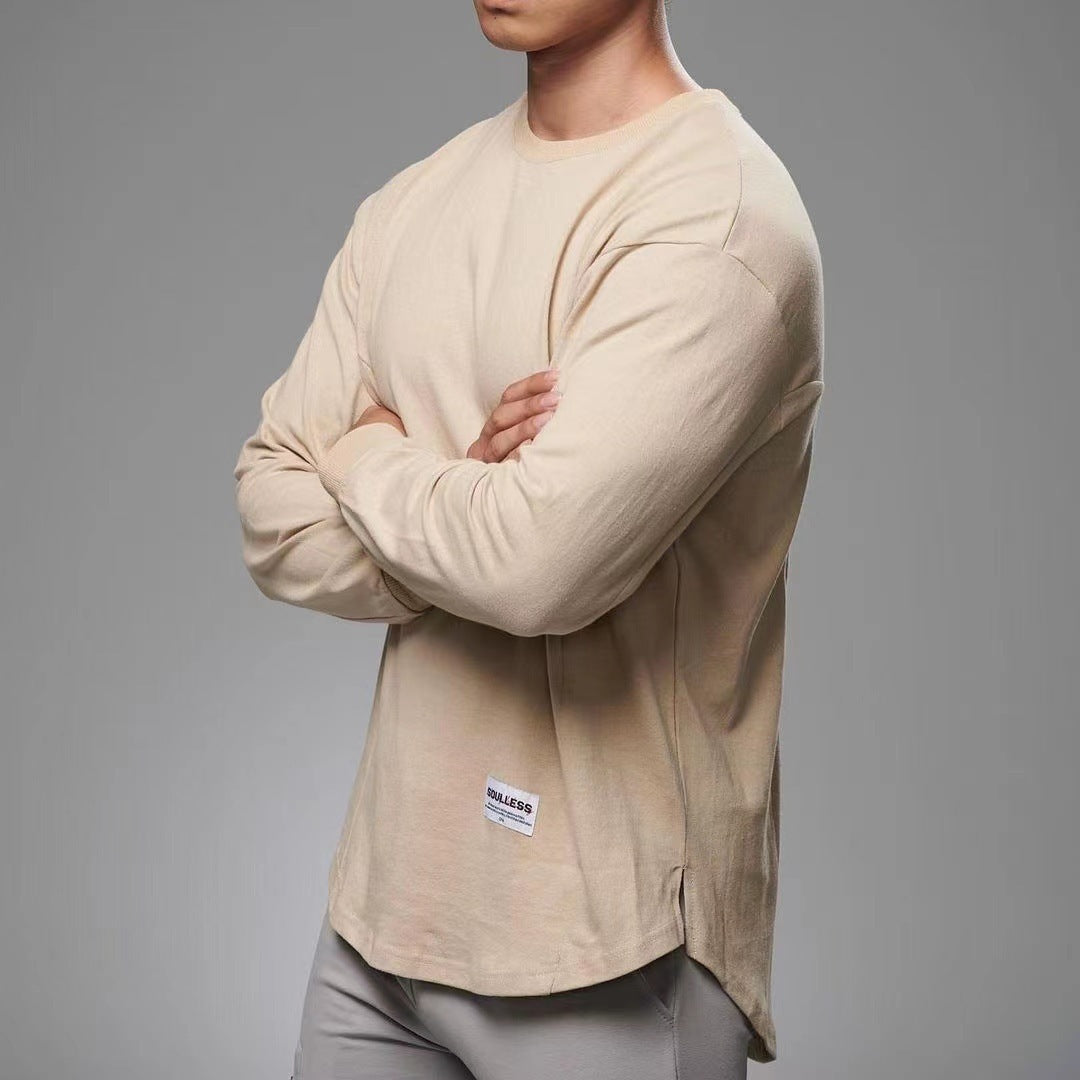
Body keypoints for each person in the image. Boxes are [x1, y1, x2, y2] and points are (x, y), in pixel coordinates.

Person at [232, 0, 823, 1076]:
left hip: (608, 949)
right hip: (377, 926)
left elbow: (538, 568)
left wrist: (366, 459)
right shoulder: (413, 202)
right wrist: (467, 490)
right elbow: (271, 510)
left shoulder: (718, 220)